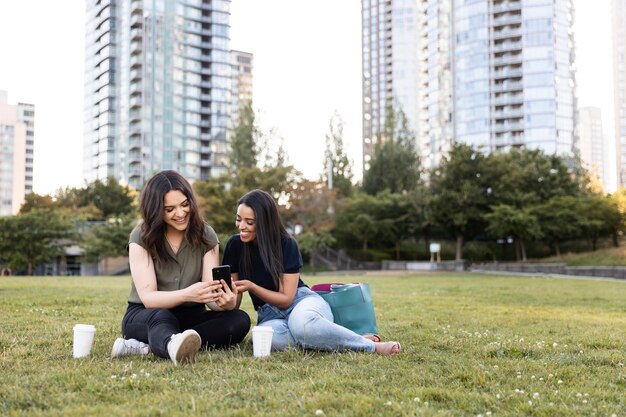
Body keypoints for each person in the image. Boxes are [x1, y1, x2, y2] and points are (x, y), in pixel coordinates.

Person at [222, 189, 401, 355]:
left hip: (302, 302)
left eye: (249, 222)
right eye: (238, 219)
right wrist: (226, 298)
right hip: (269, 314)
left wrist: (252, 287)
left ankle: (368, 345)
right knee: (269, 340)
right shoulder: (234, 245)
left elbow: (286, 299)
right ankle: (327, 336)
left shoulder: (286, 244)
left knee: (302, 325)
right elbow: (234, 300)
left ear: (264, 222)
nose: (241, 226)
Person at [111, 170, 251, 365]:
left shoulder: (206, 234)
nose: (180, 213)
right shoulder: (141, 236)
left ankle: (148, 347)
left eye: (185, 205)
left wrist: (225, 303)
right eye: (169, 209)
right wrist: (187, 294)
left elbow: (211, 295)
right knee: (161, 317)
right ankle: (170, 343)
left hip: (191, 315)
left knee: (239, 320)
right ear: (156, 210)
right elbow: (149, 298)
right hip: (147, 314)